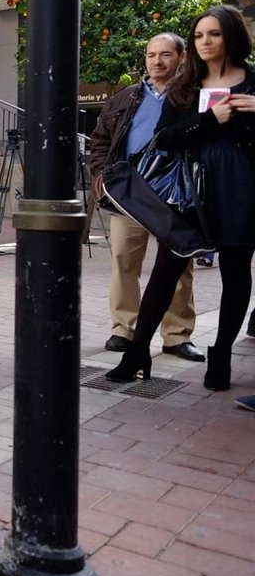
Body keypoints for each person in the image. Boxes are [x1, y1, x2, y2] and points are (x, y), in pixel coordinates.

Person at [106, 5, 255, 389]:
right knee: (165, 269)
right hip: (190, 191)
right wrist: (209, 120)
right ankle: (137, 352)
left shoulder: (253, 82)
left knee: (236, 274)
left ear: (232, 37)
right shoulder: (185, 85)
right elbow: (165, 139)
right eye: (200, 35)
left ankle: (220, 355)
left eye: (215, 34)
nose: (205, 42)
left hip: (243, 186)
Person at [89, 33, 203, 362]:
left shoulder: (192, 97)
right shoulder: (124, 97)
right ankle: (123, 329)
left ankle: (177, 335)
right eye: (151, 55)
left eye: (165, 55)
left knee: (180, 268)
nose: (157, 61)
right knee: (124, 262)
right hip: (129, 194)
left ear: (181, 58)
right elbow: (100, 141)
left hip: (175, 194)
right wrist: (102, 176)